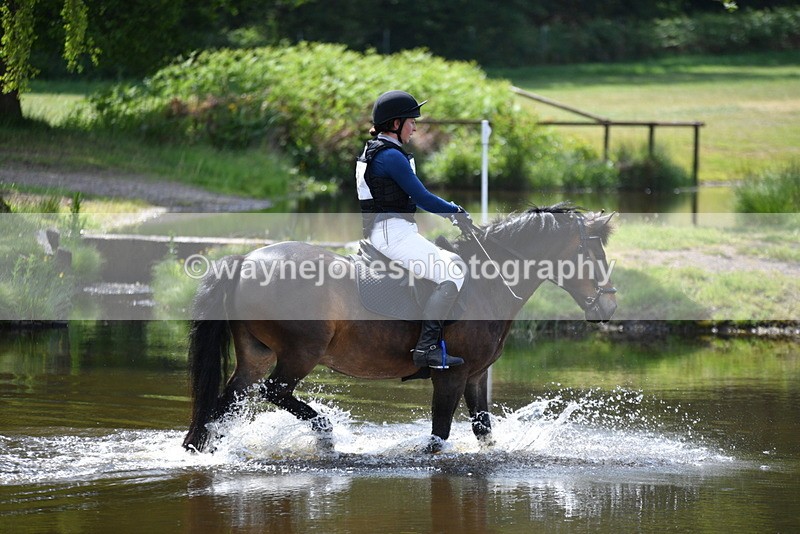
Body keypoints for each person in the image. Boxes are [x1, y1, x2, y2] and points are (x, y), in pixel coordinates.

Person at [355, 90, 472, 369]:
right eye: (411, 121)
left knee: (451, 262)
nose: (415, 127)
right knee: (453, 272)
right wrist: (454, 212)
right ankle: (426, 348)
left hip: (392, 231)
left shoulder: (381, 151)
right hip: (392, 234)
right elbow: (422, 198)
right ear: (396, 124)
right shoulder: (390, 157)